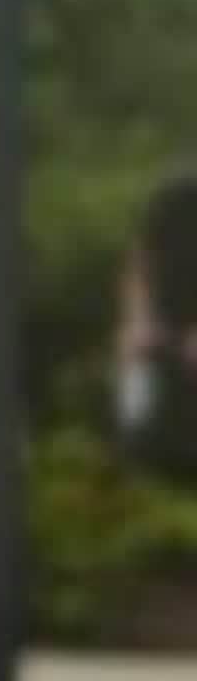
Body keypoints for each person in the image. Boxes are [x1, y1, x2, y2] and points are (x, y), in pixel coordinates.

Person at [118, 170, 197, 482]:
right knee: (137, 374)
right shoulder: (175, 194)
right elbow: (140, 263)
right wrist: (138, 321)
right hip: (162, 325)